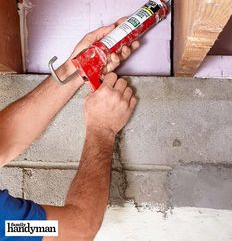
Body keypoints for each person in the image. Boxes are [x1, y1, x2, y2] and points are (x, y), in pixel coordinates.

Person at [0, 21, 139, 241]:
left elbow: (6, 137)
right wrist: (102, 129)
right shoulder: (9, 226)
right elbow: (78, 229)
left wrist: (75, 69)